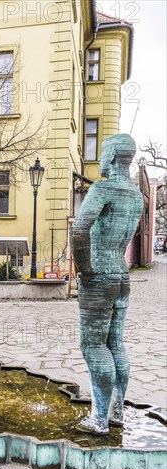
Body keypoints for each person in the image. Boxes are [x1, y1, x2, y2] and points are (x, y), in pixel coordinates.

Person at [71, 134, 143, 435]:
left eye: (102, 153)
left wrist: (85, 270)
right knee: (116, 345)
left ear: (112, 156)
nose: (99, 159)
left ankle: (98, 420)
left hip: (99, 273)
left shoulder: (103, 188)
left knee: (93, 345)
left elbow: (79, 231)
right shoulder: (136, 195)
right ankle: (117, 412)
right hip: (121, 274)